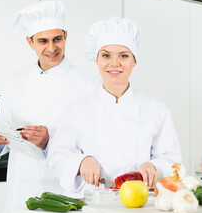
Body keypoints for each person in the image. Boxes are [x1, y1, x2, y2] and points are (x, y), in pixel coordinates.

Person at [48, 16, 182, 198]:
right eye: (106, 55)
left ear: (134, 61)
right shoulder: (76, 110)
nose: (114, 63)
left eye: (124, 56)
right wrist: (81, 162)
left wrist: (153, 166)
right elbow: (57, 158)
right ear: (96, 60)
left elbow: (172, 160)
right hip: (91, 203)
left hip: (140, 201)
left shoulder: (156, 110)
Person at [0, 0, 96, 213]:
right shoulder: (14, 82)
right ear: (30, 42)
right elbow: (4, 132)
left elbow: (94, 151)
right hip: (17, 200)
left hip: (60, 202)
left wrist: (50, 141)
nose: (52, 48)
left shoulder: (85, 87)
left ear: (66, 36)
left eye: (57, 39)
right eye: (43, 41)